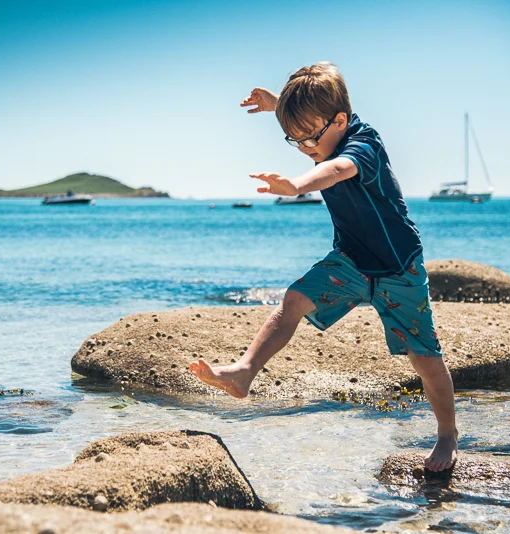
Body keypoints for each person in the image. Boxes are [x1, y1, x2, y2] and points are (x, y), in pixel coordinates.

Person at [189, 62, 458, 472]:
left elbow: (335, 169)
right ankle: (244, 371)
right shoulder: (324, 131)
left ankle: (446, 435)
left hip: (398, 268)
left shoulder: (363, 147)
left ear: (340, 121)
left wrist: (296, 185)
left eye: (309, 139)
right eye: (294, 141)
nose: (305, 149)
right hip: (350, 261)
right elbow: (318, 137)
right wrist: (277, 106)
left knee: (423, 359)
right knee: (294, 298)